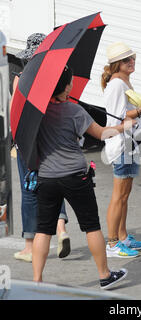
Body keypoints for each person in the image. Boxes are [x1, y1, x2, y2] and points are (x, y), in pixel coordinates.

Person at [32, 65, 135, 288]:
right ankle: (104, 274)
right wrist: (123, 126)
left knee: (43, 229)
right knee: (91, 226)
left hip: (47, 177)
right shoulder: (74, 111)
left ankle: (37, 282)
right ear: (67, 85)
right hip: (75, 176)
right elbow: (101, 133)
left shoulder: (37, 112)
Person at [10, 33, 70, 262]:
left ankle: (28, 245)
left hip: (27, 140)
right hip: (51, 138)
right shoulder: (54, 80)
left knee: (29, 189)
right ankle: (61, 228)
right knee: (54, 182)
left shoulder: (21, 79)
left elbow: (14, 113)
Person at [101, 42, 141, 258]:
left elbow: (129, 112)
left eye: (133, 57)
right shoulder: (117, 84)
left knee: (124, 195)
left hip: (129, 143)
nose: (132, 61)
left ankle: (123, 236)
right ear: (117, 64)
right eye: (127, 59)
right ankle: (112, 244)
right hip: (122, 144)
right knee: (119, 196)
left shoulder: (123, 81)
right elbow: (119, 116)